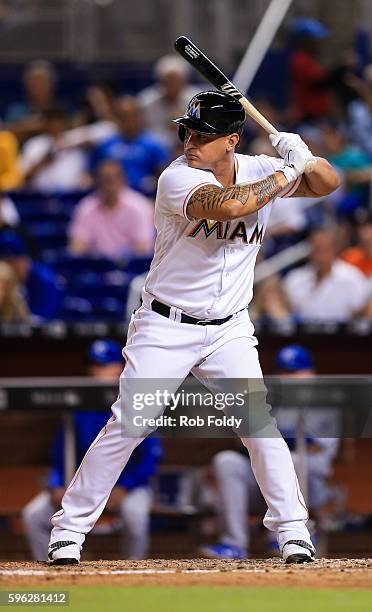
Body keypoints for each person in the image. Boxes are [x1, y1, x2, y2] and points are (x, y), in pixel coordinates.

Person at [48, 89, 340, 566]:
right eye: (187, 131)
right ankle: (70, 530)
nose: (189, 141)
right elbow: (228, 206)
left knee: (259, 425)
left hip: (229, 328)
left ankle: (293, 534)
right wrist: (289, 170)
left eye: (203, 135)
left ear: (231, 139)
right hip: (167, 323)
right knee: (131, 421)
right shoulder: (177, 179)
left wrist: (303, 154)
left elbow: (327, 182)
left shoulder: (261, 169)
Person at [22, 339, 162, 561]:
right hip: (84, 484)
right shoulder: (79, 407)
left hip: (128, 487)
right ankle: (56, 566)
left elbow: (150, 459)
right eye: (95, 365)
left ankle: (135, 570)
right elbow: (60, 454)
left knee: (135, 515)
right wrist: (57, 484)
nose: (98, 371)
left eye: (104, 365)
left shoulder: (137, 402)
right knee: (33, 515)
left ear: (121, 367)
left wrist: (123, 488)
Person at [200, 345, 339, 559]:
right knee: (227, 461)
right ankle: (233, 543)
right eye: (283, 372)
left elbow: (316, 449)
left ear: (311, 374)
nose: (288, 378)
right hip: (262, 483)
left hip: (311, 486)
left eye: (295, 373)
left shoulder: (326, 405)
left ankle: (292, 534)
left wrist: (273, 441)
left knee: (292, 459)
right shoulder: (268, 401)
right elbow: (243, 443)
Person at [68, 159, 154, 259]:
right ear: (98, 182)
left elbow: (142, 249)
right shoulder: (86, 207)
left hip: (130, 268)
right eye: (105, 180)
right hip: (97, 267)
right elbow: (77, 247)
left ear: (122, 180)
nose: (109, 186)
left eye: (112, 180)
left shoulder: (139, 207)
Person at [284, 227, 369, 322]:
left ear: (334, 249)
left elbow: (362, 314)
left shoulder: (352, 278)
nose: (321, 256)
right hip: (303, 335)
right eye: (317, 249)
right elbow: (288, 316)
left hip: (342, 335)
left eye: (325, 249)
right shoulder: (295, 279)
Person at [90, 96, 170, 196]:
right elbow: (93, 172)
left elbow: (165, 177)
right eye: (122, 116)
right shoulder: (106, 145)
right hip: (111, 197)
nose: (127, 120)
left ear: (139, 117)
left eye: (130, 116)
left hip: (145, 197)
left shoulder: (154, 145)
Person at [21, 106, 87, 193]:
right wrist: (41, 163)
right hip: (40, 198)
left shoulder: (76, 139)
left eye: (59, 120)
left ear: (65, 122)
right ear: (45, 123)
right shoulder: (34, 144)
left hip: (72, 197)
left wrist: (70, 145)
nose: (56, 124)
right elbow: (23, 177)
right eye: (51, 121)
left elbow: (106, 130)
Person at [138, 55, 199, 151]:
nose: (172, 85)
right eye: (167, 81)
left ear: (184, 80)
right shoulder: (146, 101)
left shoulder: (196, 99)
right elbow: (142, 132)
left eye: (175, 81)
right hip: (156, 150)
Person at [0, 230, 62, 320]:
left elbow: (45, 320)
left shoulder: (43, 279)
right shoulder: (3, 279)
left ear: (25, 259)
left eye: (14, 262)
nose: (10, 268)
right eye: (6, 262)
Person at [5, 60, 58, 143]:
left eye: (41, 82)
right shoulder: (16, 110)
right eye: (33, 83)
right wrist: (37, 126)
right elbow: (8, 132)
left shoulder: (60, 109)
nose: (37, 87)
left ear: (51, 84)